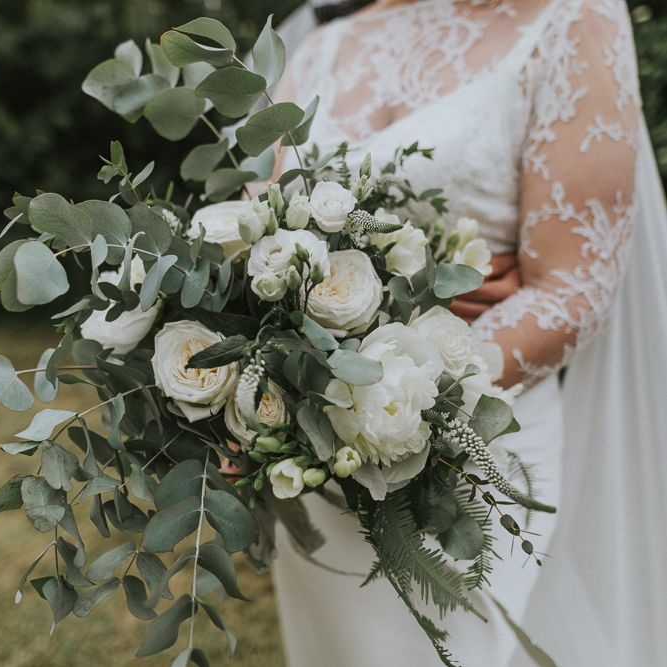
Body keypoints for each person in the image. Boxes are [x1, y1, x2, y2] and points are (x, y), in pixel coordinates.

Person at [270, 1, 667, 665]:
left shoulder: (572, 19)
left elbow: (573, 289)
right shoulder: (321, 46)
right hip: (313, 462)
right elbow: (259, 237)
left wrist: (381, 400)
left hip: (470, 453)